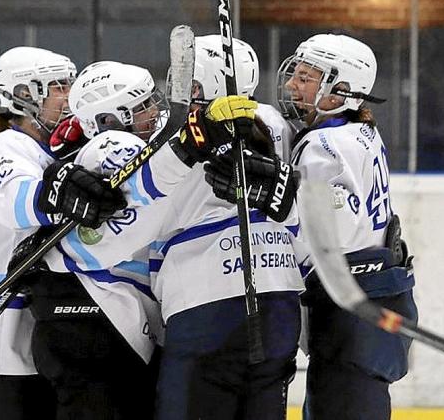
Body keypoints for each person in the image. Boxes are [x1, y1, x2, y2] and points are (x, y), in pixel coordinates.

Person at [40, 36, 304, 420]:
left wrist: (55, 247)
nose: (160, 109)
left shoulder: (175, 143)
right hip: (279, 300)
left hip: (203, 304)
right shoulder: (270, 125)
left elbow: (123, 228)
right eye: (143, 105)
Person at [205, 33, 418, 420]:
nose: (291, 85)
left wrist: (278, 193)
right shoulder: (360, 131)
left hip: (353, 308)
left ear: (341, 90)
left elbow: (339, 226)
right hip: (376, 295)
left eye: (305, 76)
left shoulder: (325, 145)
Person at [0, 46, 121, 420]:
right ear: (23, 96)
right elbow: (18, 202)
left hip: (52, 336)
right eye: (59, 87)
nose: (71, 94)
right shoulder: (2, 150)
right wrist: (60, 192)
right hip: (4, 348)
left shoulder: (60, 153)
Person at [17, 61, 169, 419]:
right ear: (109, 120)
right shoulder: (114, 145)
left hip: (92, 322)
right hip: (94, 322)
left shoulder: (91, 148)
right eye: (142, 106)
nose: (154, 112)